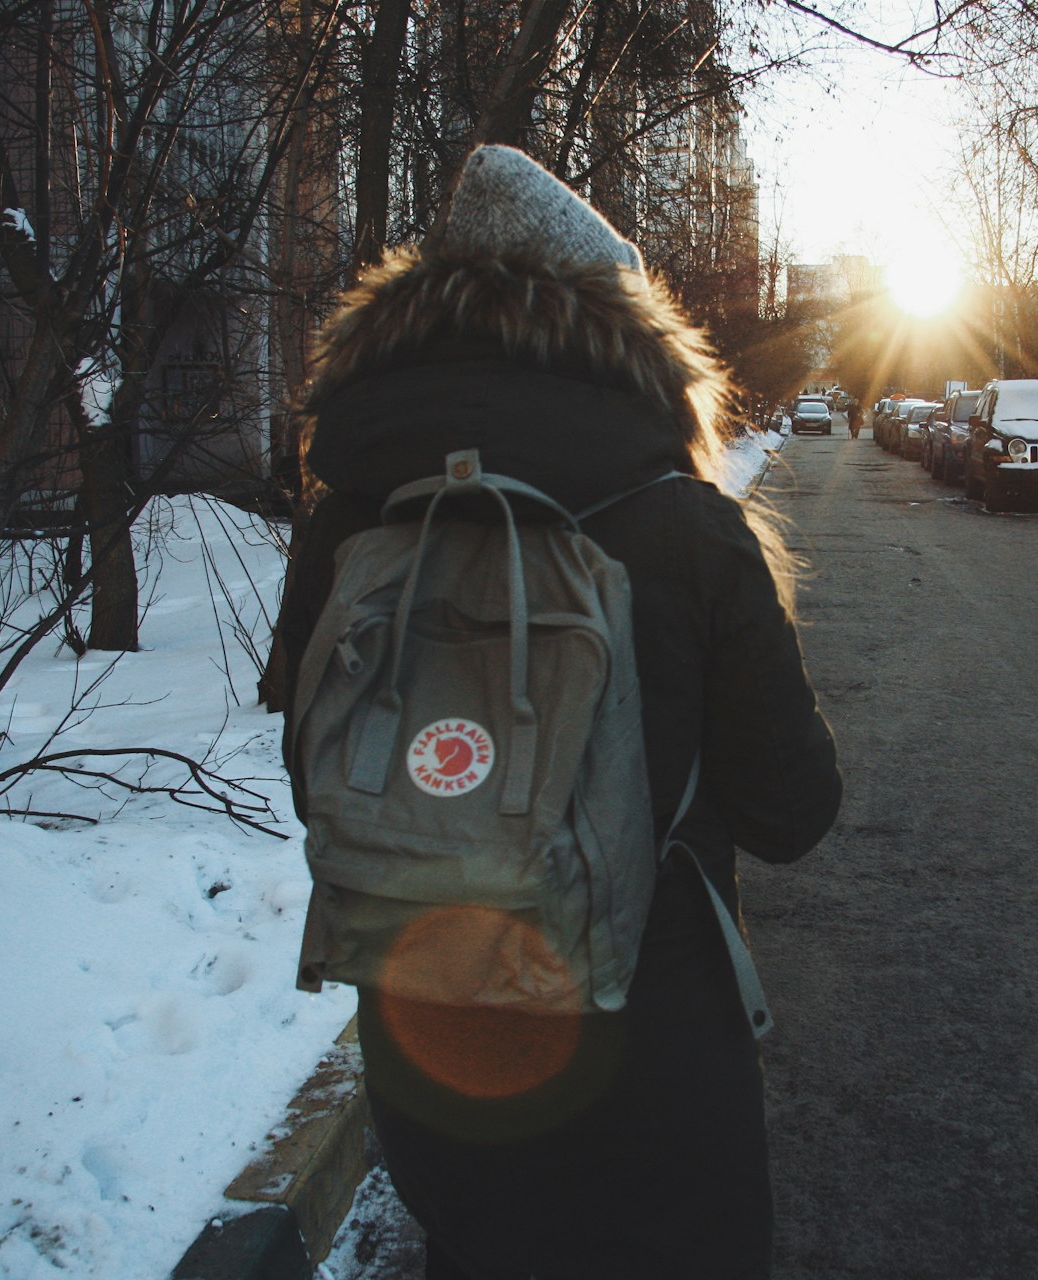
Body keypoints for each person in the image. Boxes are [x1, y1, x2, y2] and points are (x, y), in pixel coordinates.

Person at [276, 145, 842, 1279]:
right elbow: (792, 809)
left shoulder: (350, 519)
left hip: (431, 1041)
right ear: (622, 334)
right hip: (651, 1053)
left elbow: (317, 773)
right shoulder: (682, 525)